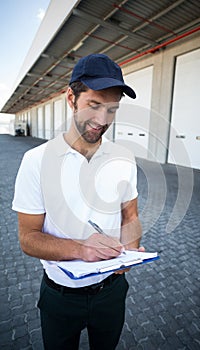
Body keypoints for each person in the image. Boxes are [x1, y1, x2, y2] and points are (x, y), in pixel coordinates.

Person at [12, 53, 143, 350]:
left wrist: (131, 251)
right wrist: (81, 250)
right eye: (94, 105)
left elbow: (131, 216)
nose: (102, 119)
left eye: (112, 109)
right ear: (71, 98)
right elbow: (28, 238)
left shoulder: (124, 158)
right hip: (60, 297)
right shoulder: (36, 161)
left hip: (112, 292)